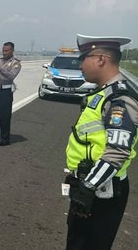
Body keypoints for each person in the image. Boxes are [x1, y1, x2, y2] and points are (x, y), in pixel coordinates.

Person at [65, 34, 137, 250]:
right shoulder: (103, 93)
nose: (79, 64)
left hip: (101, 192)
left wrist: (88, 186)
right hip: (91, 187)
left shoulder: (119, 99)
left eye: (83, 57)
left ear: (100, 59)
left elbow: (118, 152)